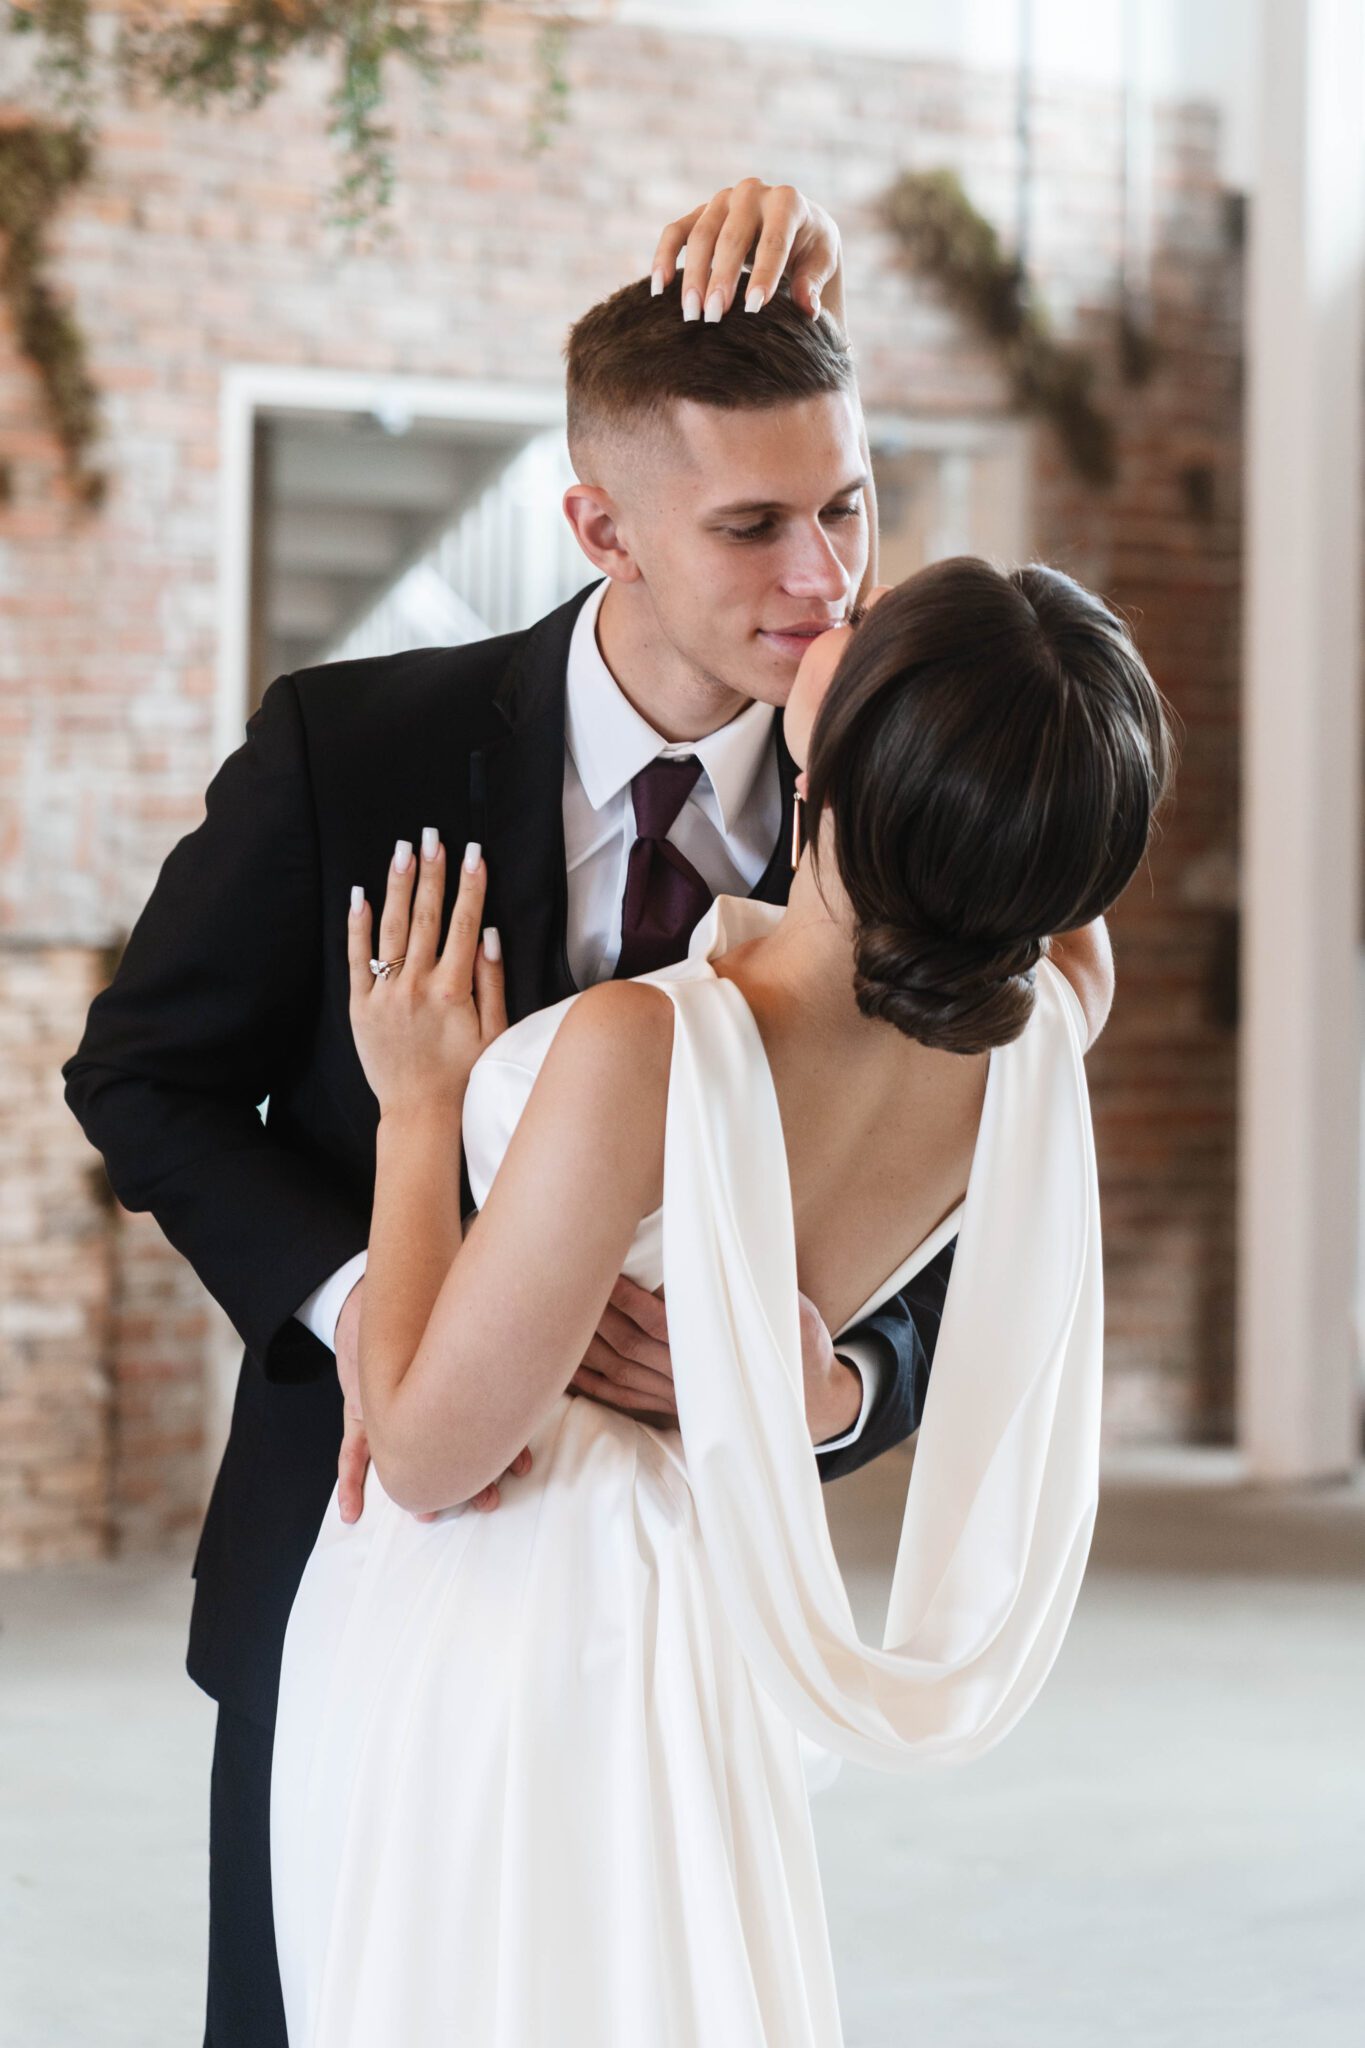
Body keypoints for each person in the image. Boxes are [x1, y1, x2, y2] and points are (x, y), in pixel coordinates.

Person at [60, 182, 956, 2047]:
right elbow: (137, 1074)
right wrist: (381, 1304)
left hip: (682, 1624)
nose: (827, 579)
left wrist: (833, 1384)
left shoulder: (899, 829)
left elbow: (970, 1193)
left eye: (849, 505)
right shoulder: (351, 745)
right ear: (596, 526)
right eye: (755, 525)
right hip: (352, 1560)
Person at [271, 552, 1172, 2045]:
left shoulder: (649, 1048)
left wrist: (418, 1110)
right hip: (710, 1606)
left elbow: (429, 1457)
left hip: (504, 1618)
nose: (830, 589)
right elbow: (1058, 872)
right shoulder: (1036, 1038)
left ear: (832, 758)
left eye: (863, 624)